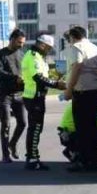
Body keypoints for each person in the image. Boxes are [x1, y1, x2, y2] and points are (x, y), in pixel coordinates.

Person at [62, 26, 97, 172]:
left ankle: (83, 161)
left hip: (82, 93)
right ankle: (93, 160)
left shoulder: (76, 47)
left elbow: (76, 68)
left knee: (82, 129)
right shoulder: (96, 48)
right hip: (95, 92)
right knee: (91, 127)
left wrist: (68, 90)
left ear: (73, 37)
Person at [21, 34, 66, 171]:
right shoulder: (33, 56)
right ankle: (32, 159)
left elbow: (44, 75)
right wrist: (56, 84)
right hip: (34, 97)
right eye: (48, 48)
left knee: (36, 129)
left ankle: (33, 157)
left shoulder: (39, 57)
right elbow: (38, 77)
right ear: (42, 45)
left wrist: (55, 78)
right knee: (35, 129)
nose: (49, 50)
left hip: (37, 97)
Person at [0, 29, 27, 162]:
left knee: (23, 123)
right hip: (5, 95)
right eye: (19, 42)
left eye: (22, 43)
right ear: (12, 39)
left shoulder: (22, 55)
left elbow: (26, 71)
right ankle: (5, 154)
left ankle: (12, 144)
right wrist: (15, 77)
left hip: (19, 94)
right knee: (6, 123)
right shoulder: (1, 54)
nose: (21, 45)